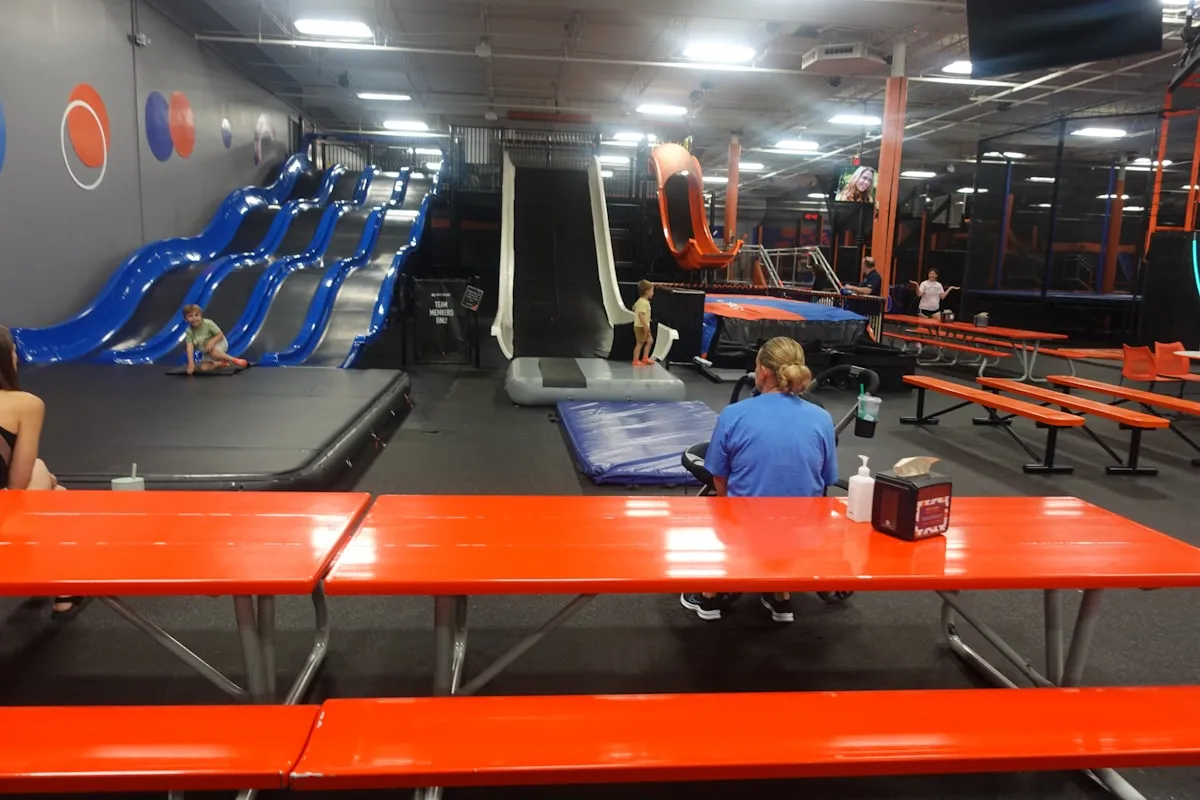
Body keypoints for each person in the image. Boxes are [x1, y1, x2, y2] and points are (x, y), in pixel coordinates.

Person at [681, 337, 838, 624]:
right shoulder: (822, 418)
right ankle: (781, 596)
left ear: (763, 372)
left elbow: (718, 475)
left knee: (721, 503)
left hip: (749, 530)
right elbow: (827, 477)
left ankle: (709, 594)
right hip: (802, 531)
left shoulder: (734, 414)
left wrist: (733, 510)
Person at [0, 326, 82, 618]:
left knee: (45, 479)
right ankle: (61, 588)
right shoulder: (25, 404)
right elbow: (18, 485)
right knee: (48, 483)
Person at [183, 305, 249, 373]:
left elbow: (220, 335)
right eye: (190, 316)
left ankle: (234, 360)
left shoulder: (208, 323)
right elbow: (189, 348)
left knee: (213, 352)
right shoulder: (189, 331)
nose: (194, 318)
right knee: (204, 368)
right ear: (186, 319)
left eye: (196, 315)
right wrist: (191, 364)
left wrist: (211, 342)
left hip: (220, 342)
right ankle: (220, 363)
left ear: (201, 316)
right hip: (207, 350)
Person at [632, 280, 655, 366]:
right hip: (641, 326)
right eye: (652, 291)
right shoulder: (642, 302)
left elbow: (634, 308)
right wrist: (645, 325)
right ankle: (635, 360)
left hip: (644, 325)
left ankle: (645, 357)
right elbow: (640, 314)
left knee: (650, 340)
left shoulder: (642, 301)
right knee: (640, 343)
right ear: (647, 292)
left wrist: (648, 319)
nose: (653, 293)